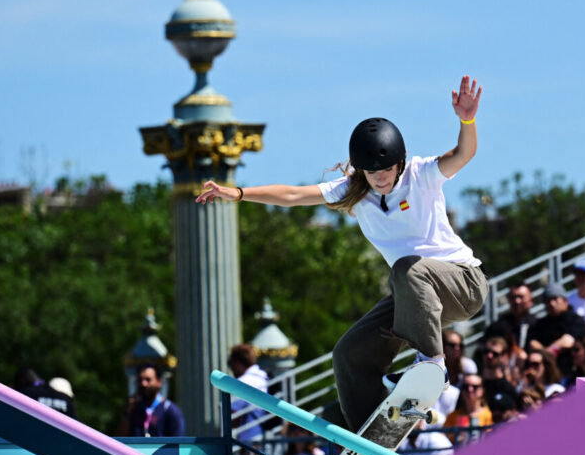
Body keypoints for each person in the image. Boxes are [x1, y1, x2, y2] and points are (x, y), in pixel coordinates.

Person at [196, 76, 487, 435]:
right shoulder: (354, 190)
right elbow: (292, 195)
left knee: (406, 270)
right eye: (370, 172)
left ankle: (432, 365)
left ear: (399, 162)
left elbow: (463, 154)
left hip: (464, 283)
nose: (379, 179)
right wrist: (238, 193)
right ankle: (371, 436)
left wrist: (467, 121)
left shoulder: (421, 175)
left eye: (385, 170)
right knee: (348, 353)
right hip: (416, 294)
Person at [121, 363, 186, 437]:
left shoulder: (171, 411)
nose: (143, 384)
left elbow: (178, 444)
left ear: (159, 382)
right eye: (140, 380)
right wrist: (128, 412)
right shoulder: (134, 409)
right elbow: (119, 440)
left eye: (148, 380)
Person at [530, 282, 585, 354]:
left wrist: (547, 354)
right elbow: (533, 342)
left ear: (565, 301)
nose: (552, 303)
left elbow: (568, 341)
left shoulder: (575, 320)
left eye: (555, 299)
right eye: (548, 300)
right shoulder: (540, 324)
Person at [227, 344, 269, 443]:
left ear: (237, 362)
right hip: (265, 435)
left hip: (250, 440)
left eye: (230, 364)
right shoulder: (263, 377)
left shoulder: (244, 382)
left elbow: (231, 419)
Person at [443, 374, 493, 444]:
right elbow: (442, 439)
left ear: (482, 391)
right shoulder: (453, 416)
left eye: (475, 387)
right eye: (466, 387)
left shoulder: (488, 415)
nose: (470, 389)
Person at [492, 284, 537, 353]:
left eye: (521, 297)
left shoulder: (538, 325)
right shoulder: (499, 325)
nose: (517, 301)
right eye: (513, 297)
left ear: (531, 300)